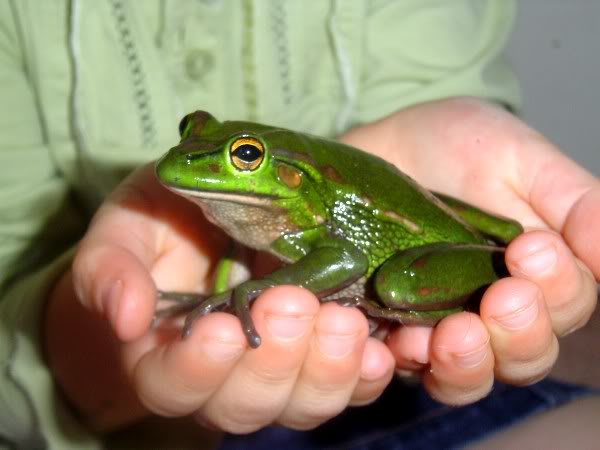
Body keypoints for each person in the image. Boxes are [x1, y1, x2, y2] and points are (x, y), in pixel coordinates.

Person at [0, 1, 598, 449]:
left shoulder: (301, 221)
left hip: (407, 254)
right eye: (192, 133)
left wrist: (258, 289)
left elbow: (347, 260)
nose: (192, 157)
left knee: (393, 286)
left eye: (243, 157)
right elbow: (238, 250)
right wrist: (224, 291)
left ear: (278, 171)